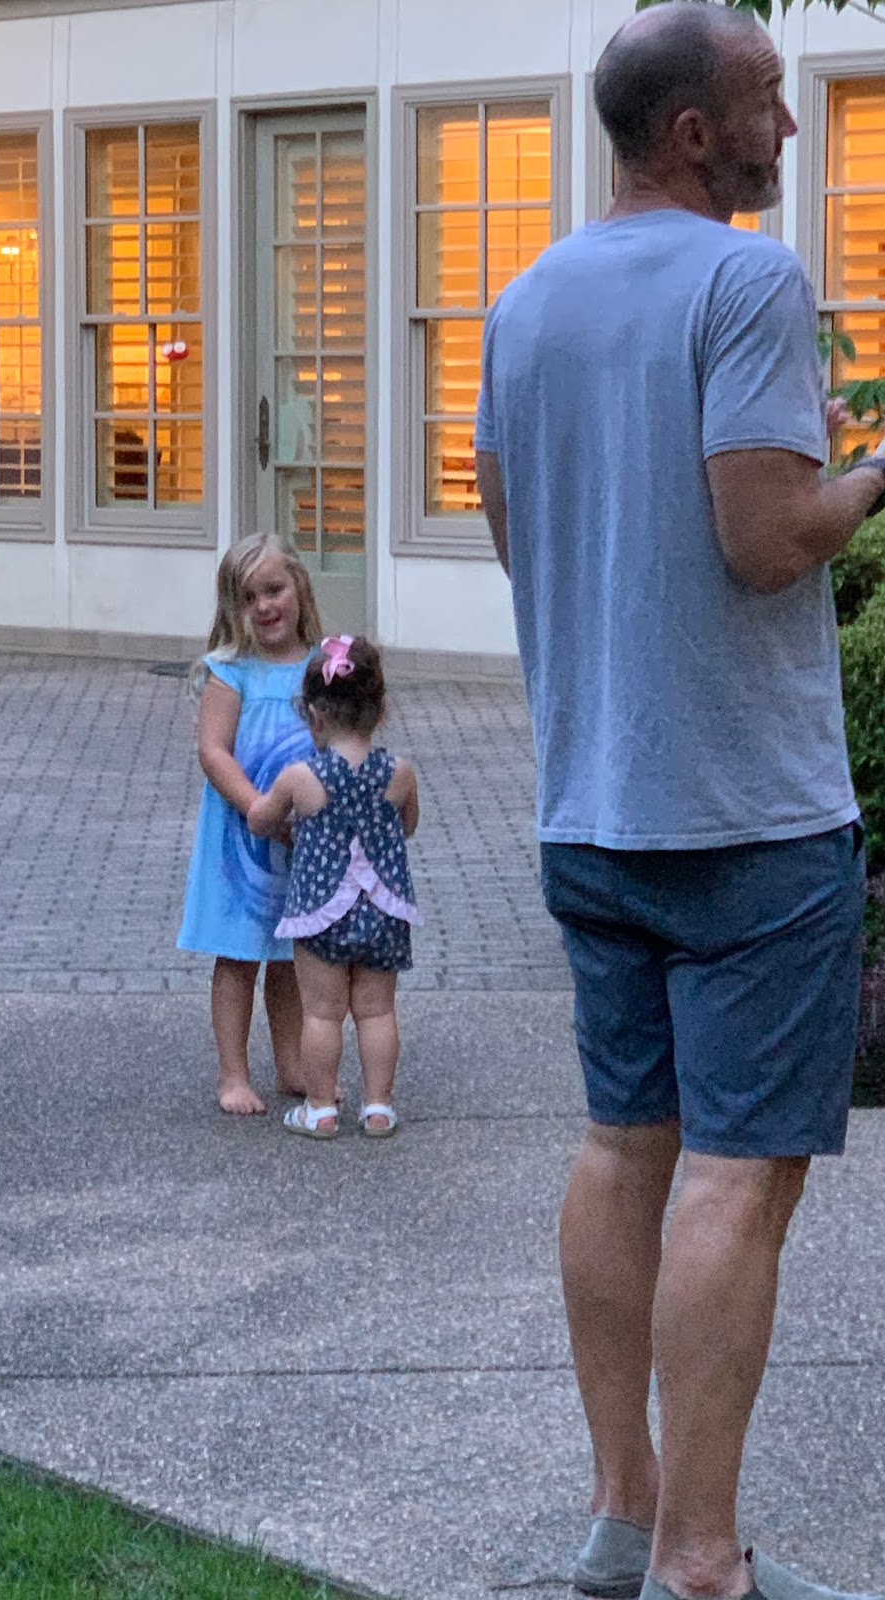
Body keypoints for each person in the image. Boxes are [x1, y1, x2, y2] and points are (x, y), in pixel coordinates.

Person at [474, 7, 883, 1600]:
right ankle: (703, 1560)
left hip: (591, 807)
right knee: (733, 1176)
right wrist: (870, 477)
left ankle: (624, 1519)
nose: (792, 126)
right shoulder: (747, 281)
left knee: (622, 1148)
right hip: (750, 819)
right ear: (695, 131)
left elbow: (512, 521)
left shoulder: (527, 299)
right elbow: (768, 539)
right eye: (770, 100)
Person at [248, 636, 421, 1139]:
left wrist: (284, 823)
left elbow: (260, 819)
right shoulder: (400, 773)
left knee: (322, 1014)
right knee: (378, 1011)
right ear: (381, 711)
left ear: (315, 716)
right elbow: (408, 826)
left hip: (320, 913)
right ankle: (379, 1107)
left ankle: (320, 1109)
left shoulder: (300, 777)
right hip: (385, 912)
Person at [178, 533, 323, 1116]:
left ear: (298, 588)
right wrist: (257, 807)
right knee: (238, 956)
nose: (264, 606)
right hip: (241, 838)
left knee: (291, 957)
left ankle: (292, 1062)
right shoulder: (231, 671)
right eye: (248, 598)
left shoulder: (320, 668)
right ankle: (233, 1073)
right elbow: (213, 751)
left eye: (274, 590)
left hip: (300, 841)